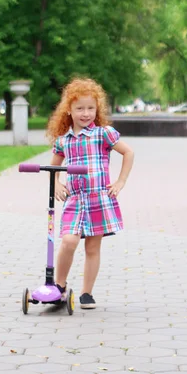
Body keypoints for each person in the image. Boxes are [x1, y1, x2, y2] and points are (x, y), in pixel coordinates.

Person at [47, 77, 134, 310]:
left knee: (93, 248)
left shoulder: (103, 134)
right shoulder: (64, 140)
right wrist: (56, 183)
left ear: (97, 109)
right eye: (80, 108)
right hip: (75, 199)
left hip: (99, 199)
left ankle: (87, 293)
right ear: (69, 110)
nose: (86, 113)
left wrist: (120, 181)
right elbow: (54, 167)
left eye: (90, 108)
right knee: (68, 240)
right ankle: (59, 286)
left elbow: (128, 153)